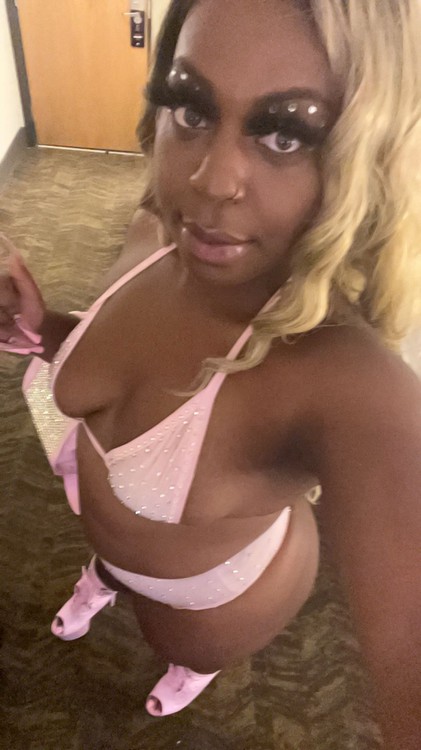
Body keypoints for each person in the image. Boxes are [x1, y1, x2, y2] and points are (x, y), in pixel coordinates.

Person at [0, 0, 421, 746]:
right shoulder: (157, 236)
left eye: (286, 133)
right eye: (191, 109)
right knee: (111, 564)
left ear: (367, 153)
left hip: (212, 600)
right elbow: (115, 366)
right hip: (112, 532)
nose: (210, 178)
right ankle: (104, 576)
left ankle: (193, 670)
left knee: (176, 645)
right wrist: (43, 330)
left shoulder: (347, 382)